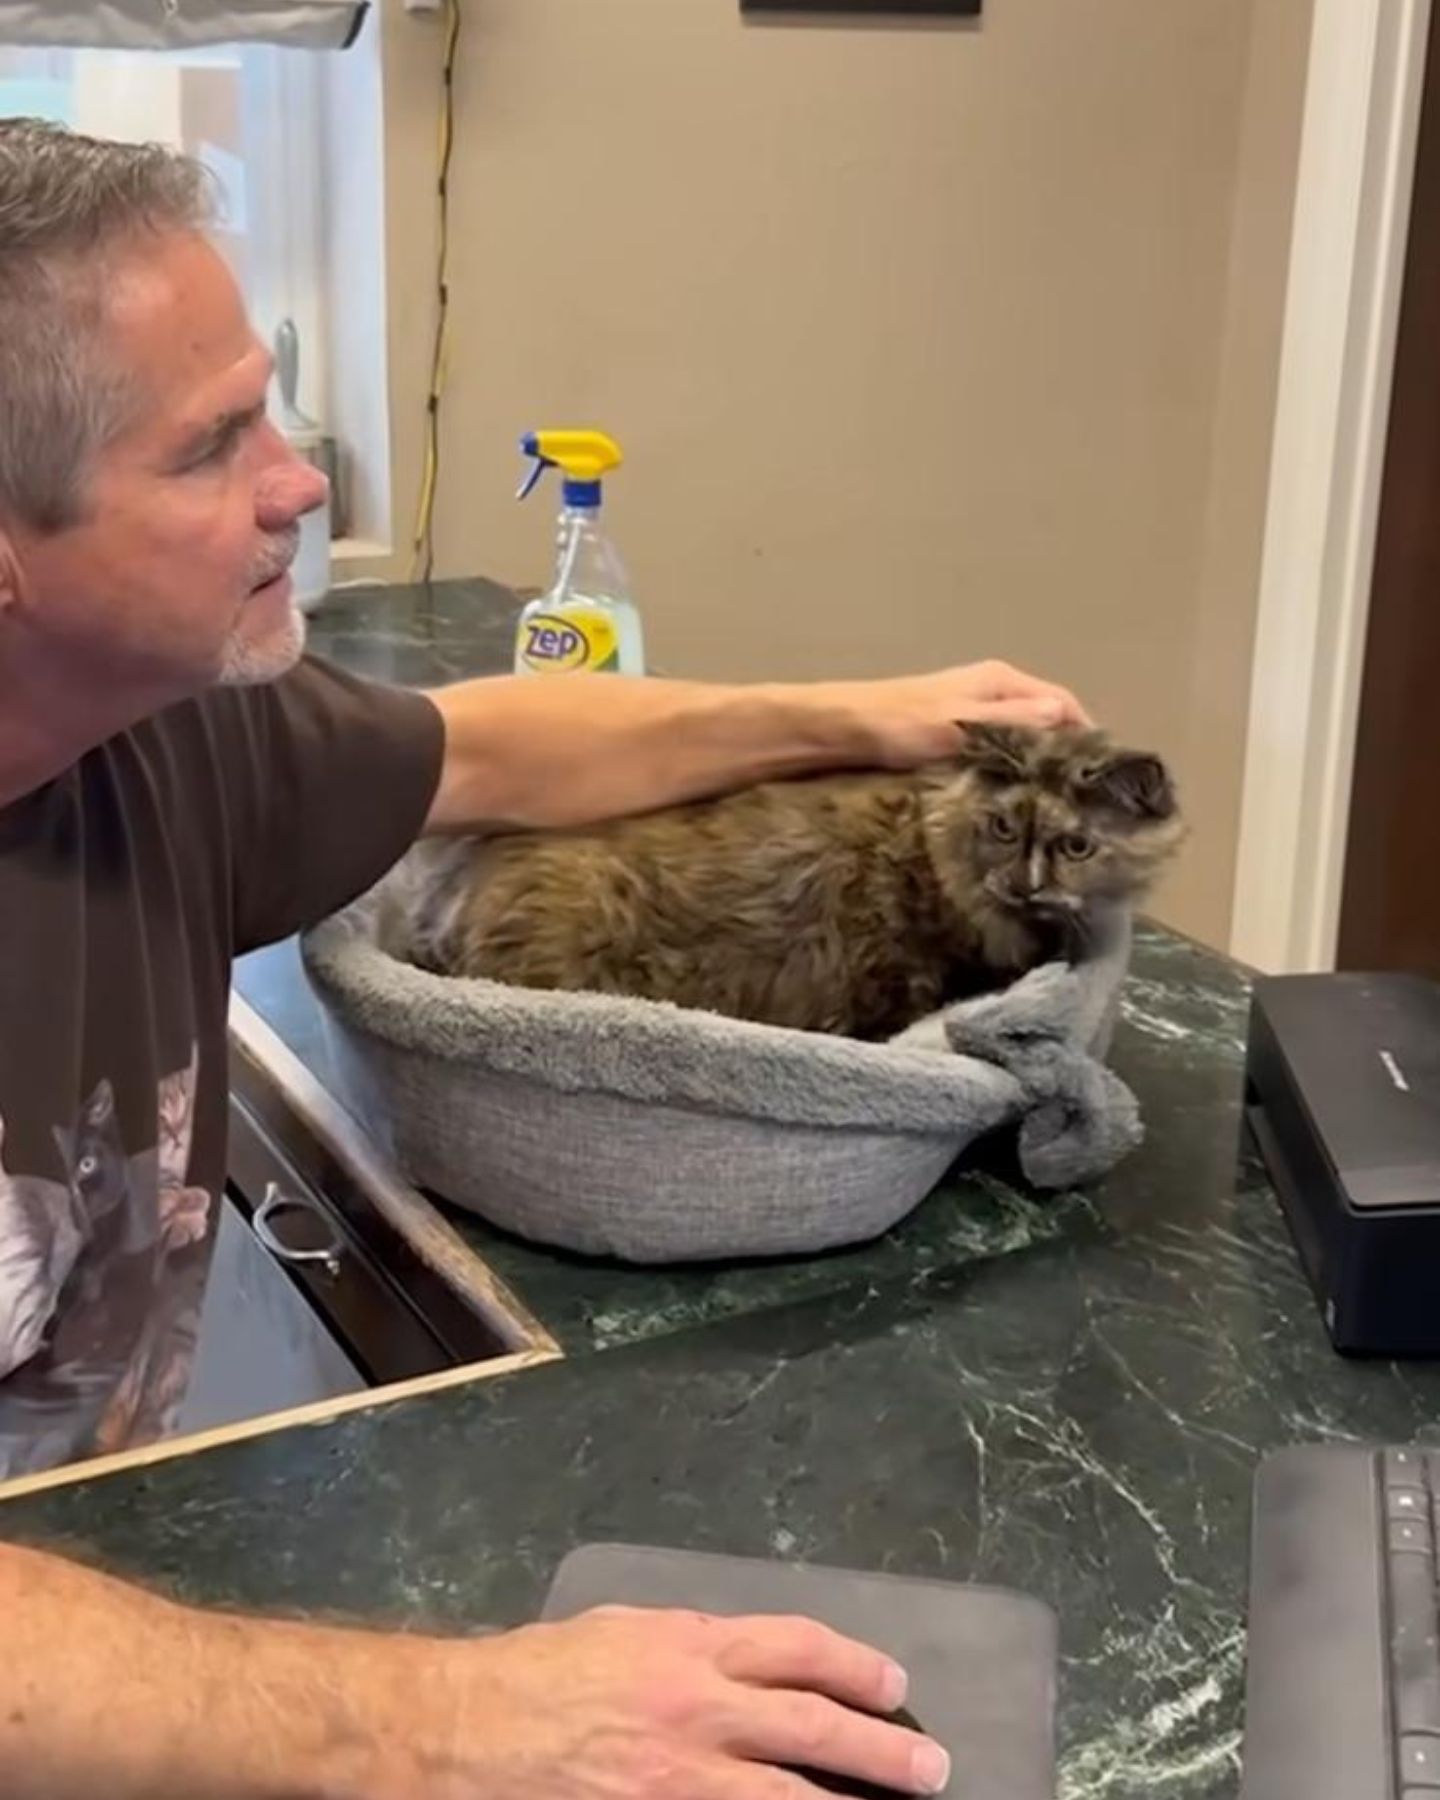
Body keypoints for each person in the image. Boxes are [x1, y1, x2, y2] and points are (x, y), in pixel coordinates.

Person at [0, 118, 1088, 1797]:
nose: (302, 483)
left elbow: (490, 748)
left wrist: (865, 715)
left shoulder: (161, 731)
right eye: (214, 446)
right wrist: (444, 1725)